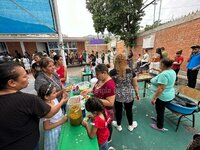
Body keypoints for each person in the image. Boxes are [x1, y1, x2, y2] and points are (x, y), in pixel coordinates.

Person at [0, 62, 68, 150]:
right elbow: (50, 113)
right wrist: (62, 101)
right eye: (24, 76)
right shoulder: (28, 100)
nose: (28, 77)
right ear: (12, 82)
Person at [81, 64, 116, 143]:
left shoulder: (110, 85)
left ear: (104, 73)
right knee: (101, 126)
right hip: (99, 109)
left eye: (97, 74)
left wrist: (94, 99)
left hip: (106, 111)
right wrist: (88, 91)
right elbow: (95, 89)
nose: (96, 76)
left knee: (107, 125)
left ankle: (108, 139)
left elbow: (110, 103)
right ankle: (102, 135)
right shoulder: (101, 79)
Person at [109, 54, 140, 132]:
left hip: (117, 95)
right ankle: (130, 125)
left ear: (115, 61)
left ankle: (118, 125)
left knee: (118, 111)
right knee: (129, 110)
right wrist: (137, 94)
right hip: (129, 94)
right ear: (125, 61)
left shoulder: (112, 72)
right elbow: (135, 84)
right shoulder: (131, 71)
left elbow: (110, 85)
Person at [38, 84, 68, 150]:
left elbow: (57, 107)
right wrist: (62, 121)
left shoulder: (53, 99)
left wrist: (63, 97)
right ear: (46, 97)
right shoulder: (45, 108)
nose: (56, 94)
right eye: (54, 93)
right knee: (57, 147)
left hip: (60, 125)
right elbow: (46, 127)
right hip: (54, 132)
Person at [150, 58, 176, 131]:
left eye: (160, 63)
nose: (159, 65)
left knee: (160, 111)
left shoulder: (164, 74)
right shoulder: (171, 71)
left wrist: (154, 98)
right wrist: (155, 69)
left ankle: (159, 126)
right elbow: (163, 72)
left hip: (163, 96)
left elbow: (161, 88)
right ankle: (158, 119)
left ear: (163, 65)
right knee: (160, 110)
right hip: (170, 94)